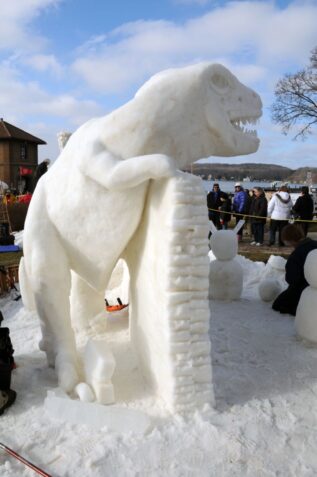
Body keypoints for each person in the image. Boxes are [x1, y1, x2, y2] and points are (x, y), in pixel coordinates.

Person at [272, 224, 317, 316]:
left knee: (278, 305)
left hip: (305, 288)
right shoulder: (314, 244)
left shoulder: (296, 255)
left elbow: (292, 279)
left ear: (288, 239)